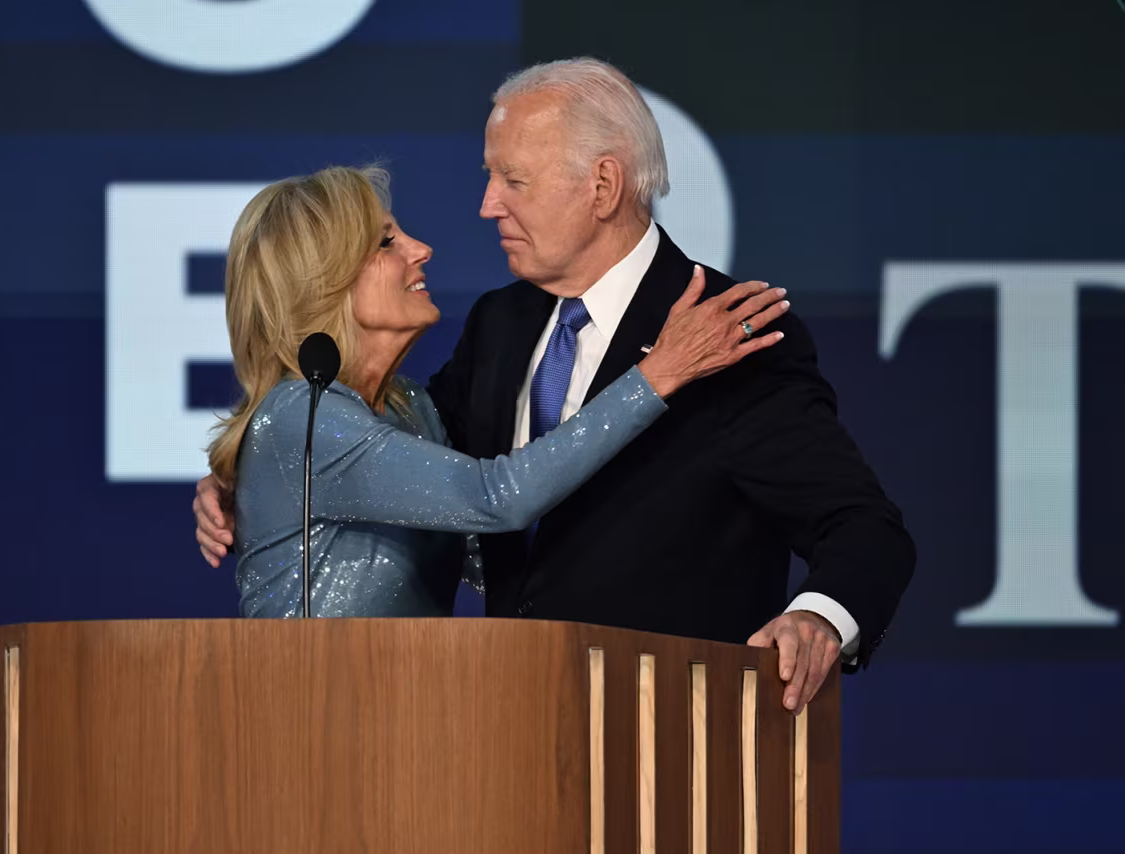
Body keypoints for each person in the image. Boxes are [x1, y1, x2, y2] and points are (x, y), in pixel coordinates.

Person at [197, 59, 915, 713]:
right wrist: (248, 482)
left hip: (670, 744)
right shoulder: (499, 326)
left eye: (513, 180)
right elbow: (410, 468)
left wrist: (820, 616)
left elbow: (863, 526)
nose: (486, 206)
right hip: (500, 741)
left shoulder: (726, 340)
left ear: (601, 185)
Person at [206, 165, 788, 620]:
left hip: (404, 723)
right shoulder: (302, 419)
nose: (420, 249)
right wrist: (658, 374)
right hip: (304, 729)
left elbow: (496, 556)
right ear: (322, 281)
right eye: (386, 243)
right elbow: (498, 498)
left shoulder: (412, 412)